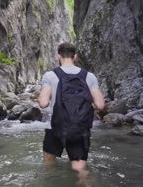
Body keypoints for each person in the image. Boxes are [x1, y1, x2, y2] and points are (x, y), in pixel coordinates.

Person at [37, 42, 105, 177]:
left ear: (58, 56)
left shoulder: (50, 76)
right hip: (79, 129)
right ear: (75, 57)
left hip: (56, 127)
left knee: (48, 166)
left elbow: (43, 103)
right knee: (80, 170)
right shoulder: (89, 76)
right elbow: (100, 105)